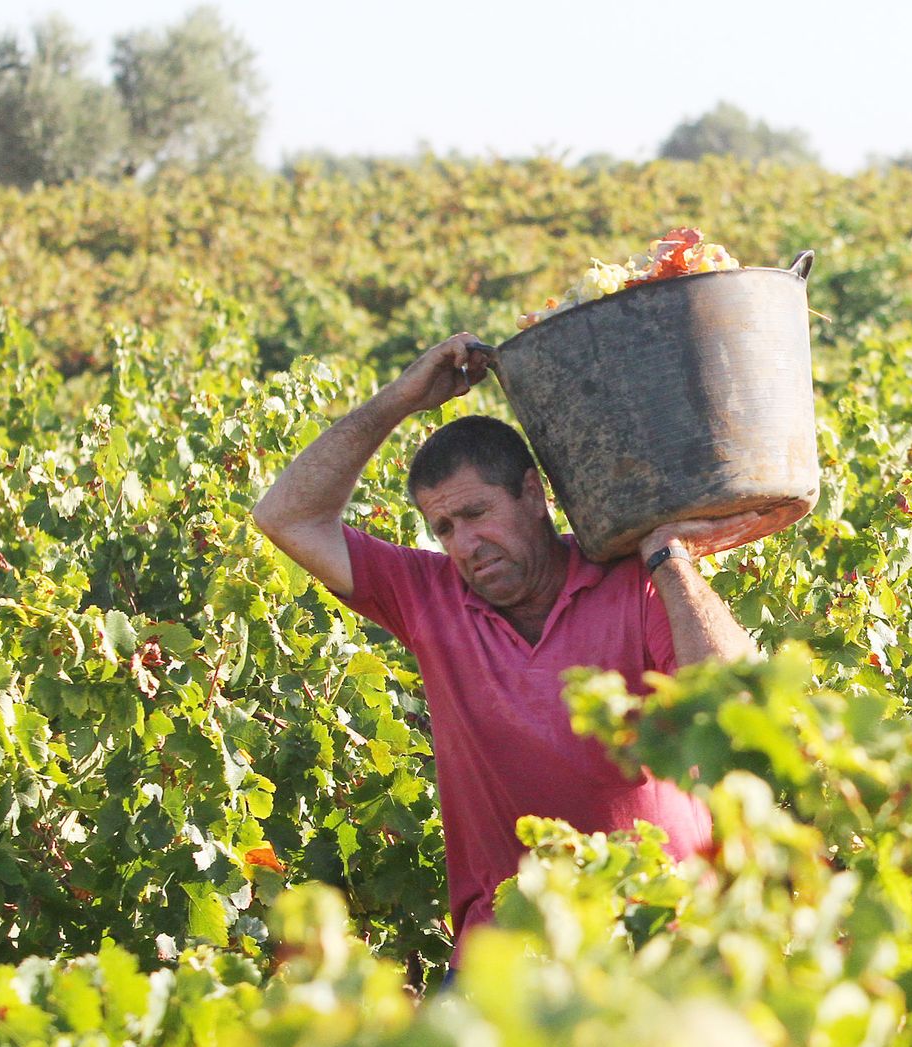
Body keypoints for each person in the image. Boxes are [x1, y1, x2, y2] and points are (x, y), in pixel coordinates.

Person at [250, 332, 760, 965]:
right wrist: (400, 399)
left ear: (532, 494)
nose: (464, 544)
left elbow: (738, 703)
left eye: (476, 513)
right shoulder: (427, 596)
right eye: (443, 527)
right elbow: (286, 516)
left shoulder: (636, 583)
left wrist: (669, 556)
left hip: (664, 937)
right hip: (509, 954)